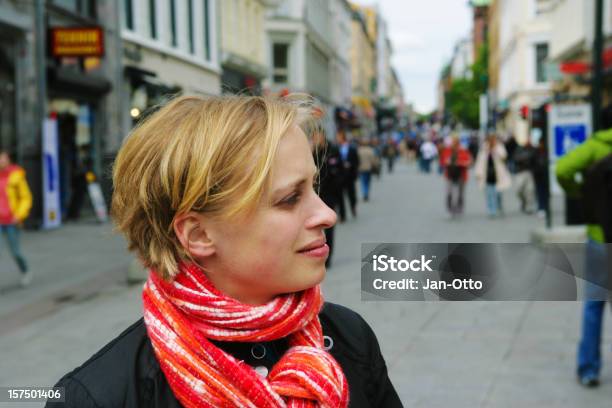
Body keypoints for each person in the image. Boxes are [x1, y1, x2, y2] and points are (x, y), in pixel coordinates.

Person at [47, 95, 401, 407]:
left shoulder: (349, 337)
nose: (328, 214)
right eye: (290, 198)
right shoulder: (100, 395)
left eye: (314, 186)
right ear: (199, 234)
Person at [556, 117, 612, 388]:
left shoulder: (594, 147)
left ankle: (589, 368)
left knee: (594, 304)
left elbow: (563, 169)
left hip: (600, 236)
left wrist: (580, 194)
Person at [0, 149, 32, 287]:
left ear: (8, 160)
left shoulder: (16, 175)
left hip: (12, 221)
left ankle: (25, 270)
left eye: (3, 158)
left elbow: (26, 197)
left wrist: (19, 215)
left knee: (15, 252)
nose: (1, 161)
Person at [312, 130, 343, 268]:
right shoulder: (314, 152)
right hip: (316, 195)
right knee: (317, 227)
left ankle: (328, 258)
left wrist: (336, 190)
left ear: (322, 137)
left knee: (329, 228)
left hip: (329, 194)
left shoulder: (332, 150)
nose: (315, 139)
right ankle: (318, 254)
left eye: (316, 137)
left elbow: (339, 171)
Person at [474, 134, 511, 217]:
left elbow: (504, 157)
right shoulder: (484, 148)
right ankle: (491, 210)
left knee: (498, 193)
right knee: (489, 193)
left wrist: (495, 151)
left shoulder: (499, 147)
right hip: (486, 174)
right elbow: (479, 161)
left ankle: (499, 207)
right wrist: (478, 173)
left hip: (498, 174)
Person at [440, 135, 472, 217]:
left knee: (460, 193)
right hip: (450, 175)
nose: (454, 143)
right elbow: (442, 162)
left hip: (461, 175)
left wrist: (460, 162)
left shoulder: (463, 150)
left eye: (456, 142)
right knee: (449, 193)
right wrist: (447, 162)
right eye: (453, 142)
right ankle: (450, 208)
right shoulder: (447, 150)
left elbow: (468, 162)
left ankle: (459, 208)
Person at [336, 129, 359, 221]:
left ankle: (353, 207)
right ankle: (342, 215)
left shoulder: (352, 148)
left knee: (351, 194)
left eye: (339, 137)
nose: (337, 138)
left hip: (350, 175)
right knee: (340, 196)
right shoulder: (336, 148)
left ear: (343, 137)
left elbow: (356, 161)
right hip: (340, 175)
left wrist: (350, 165)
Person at [512, 140, 536, 214]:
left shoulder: (533, 150)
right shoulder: (519, 149)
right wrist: (525, 158)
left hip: (529, 172)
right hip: (520, 172)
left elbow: (535, 159)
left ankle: (529, 207)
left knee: (529, 190)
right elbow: (516, 158)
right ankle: (523, 202)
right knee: (518, 190)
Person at [357, 138, 377, 202]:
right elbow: (373, 160)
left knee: (363, 182)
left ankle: (364, 193)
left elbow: (357, 160)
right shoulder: (370, 150)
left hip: (361, 168)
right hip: (368, 168)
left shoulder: (359, 150)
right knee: (367, 182)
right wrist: (374, 166)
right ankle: (366, 193)